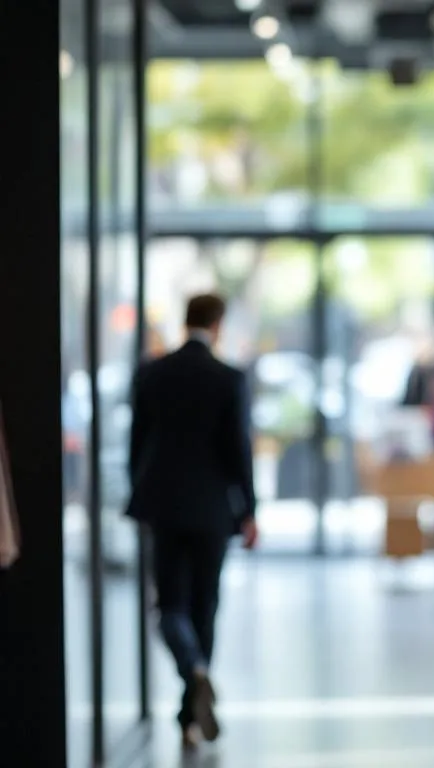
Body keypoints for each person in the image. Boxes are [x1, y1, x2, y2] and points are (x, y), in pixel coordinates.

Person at [127, 293, 258, 750]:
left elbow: (137, 443)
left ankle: (191, 680)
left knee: (170, 607)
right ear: (217, 324)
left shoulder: (152, 373)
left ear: (186, 321)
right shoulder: (229, 378)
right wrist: (249, 510)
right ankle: (191, 708)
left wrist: (137, 494)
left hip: (163, 507)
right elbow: (238, 450)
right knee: (205, 608)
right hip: (211, 510)